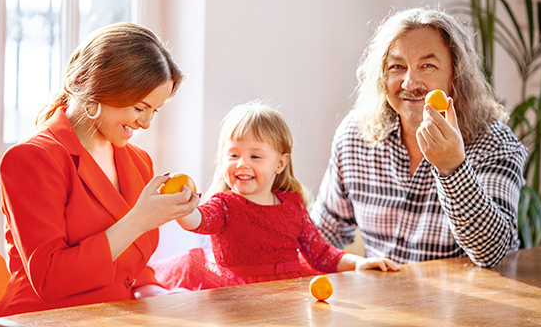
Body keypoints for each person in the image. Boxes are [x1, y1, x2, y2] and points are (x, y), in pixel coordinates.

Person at [0, 23, 199, 316]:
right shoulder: (32, 159)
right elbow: (50, 279)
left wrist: (158, 292)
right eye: (140, 108)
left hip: (112, 318)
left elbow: (131, 266)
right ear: (95, 85)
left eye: (155, 110)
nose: (146, 123)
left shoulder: (139, 162)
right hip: (41, 320)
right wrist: (138, 221)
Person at [310, 7, 528, 268]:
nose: (409, 82)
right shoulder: (354, 137)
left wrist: (453, 168)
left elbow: (493, 253)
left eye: (427, 66)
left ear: (454, 75)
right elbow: (320, 236)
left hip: (466, 306)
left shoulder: (494, 143)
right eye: (397, 67)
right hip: (380, 303)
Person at [170, 101, 398, 290]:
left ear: (280, 163)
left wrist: (359, 263)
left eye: (255, 157)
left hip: (290, 289)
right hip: (240, 294)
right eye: (233, 155)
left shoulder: (292, 204)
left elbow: (321, 253)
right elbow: (198, 220)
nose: (242, 164)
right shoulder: (224, 205)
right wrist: (181, 207)